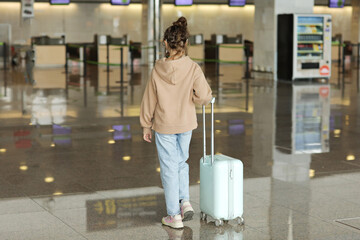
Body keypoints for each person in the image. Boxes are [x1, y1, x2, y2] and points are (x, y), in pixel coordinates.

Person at [140, 16, 212, 229]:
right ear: (185, 44)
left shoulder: (157, 70)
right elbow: (204, 96)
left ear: (165, 43)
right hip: (186, 123)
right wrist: (194, 97)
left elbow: (149, 99)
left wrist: (146, 124)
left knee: (169, 168)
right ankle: (185, 201)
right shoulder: (192, 68)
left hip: (164, 125)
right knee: (181, 162)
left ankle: (174, 215)